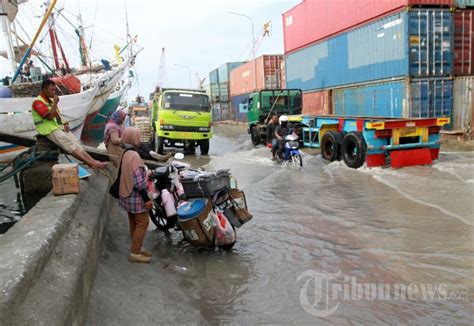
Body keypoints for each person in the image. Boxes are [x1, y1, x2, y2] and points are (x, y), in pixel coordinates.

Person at [32, 79, 108, 169]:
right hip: (47, 129)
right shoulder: (37, 102)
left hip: (57, 127)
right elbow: (49, 116)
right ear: (44, 89)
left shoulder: (50, 101)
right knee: (69, 145)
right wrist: (55, 103)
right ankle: (91, 163)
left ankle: (93, 161)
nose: (54, 92)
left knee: (77, 144)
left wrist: (65, 124)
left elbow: (57, 116)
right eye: (51, 90)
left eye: (54, 90)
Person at [118, 127, 153, 263]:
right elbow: (139, 183)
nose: (139, 140)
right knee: (143, 222)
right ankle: (135, 253)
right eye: (137, 137)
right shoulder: (134, 155)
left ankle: (137, 247)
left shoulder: (125, 152)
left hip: (126, 194)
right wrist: (147, 200)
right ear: (132, 138)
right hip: (135, 196)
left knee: (134, 222)